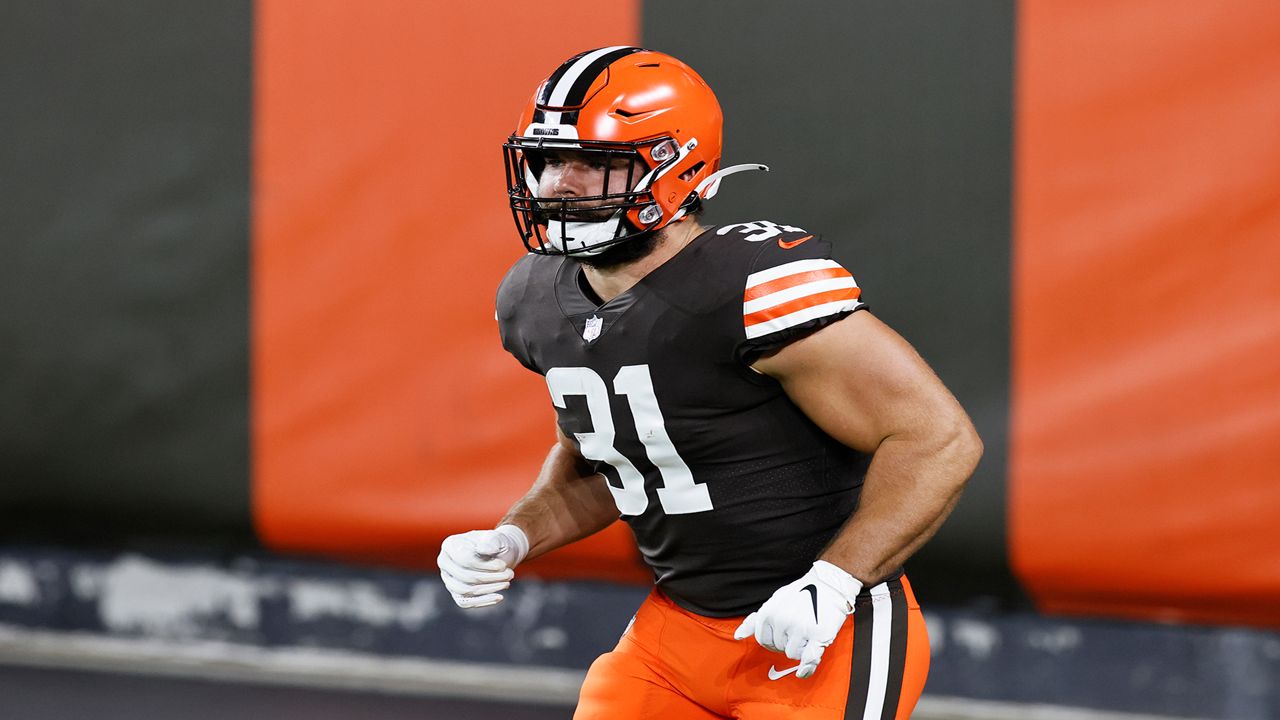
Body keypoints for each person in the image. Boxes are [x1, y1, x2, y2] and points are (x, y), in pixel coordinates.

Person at [438, 46, 982, 720]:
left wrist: (834, 582)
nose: (558, 183)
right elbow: (603, 462)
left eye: (594, 163)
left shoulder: (747, 287)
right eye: (549, 161)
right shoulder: (536, 298)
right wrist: (515, 535)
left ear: (676, 166)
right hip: (675, 635)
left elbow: (937, 438)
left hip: (822, 636)